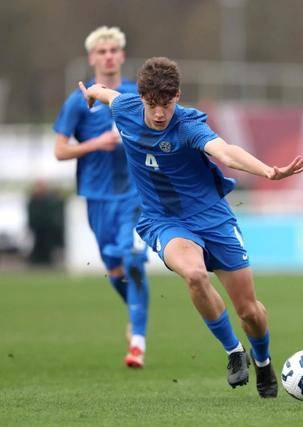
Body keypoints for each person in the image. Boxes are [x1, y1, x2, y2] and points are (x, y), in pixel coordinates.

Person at [79, 56, 303, 398]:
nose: (160, 114)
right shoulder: (125, 108)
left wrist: (268, 171)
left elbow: (225, 152)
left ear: (178, 96)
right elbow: (104, 92)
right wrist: (91, 93)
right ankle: (234, 351)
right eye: (152, 105)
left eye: (167, 105)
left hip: (213, 219)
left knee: (249, 311)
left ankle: (262, 360)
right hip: (163, 220)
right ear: (141, 98)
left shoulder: (187, 125)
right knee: (195, 274)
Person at [54, 26, 150, 369]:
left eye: (113, 50)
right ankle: (135, 310)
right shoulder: (77, 101)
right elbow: (60, 150)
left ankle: (138, 340)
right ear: (92, 58)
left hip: (134, 193)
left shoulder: (136, 95)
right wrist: (97, 143)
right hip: (97, 195)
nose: (108, 56)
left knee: (133, 258)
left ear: (122, 56)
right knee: (114, 269)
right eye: (102, 51)